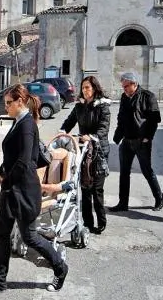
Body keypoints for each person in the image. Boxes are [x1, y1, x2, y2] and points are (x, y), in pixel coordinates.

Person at [0, 84, 69, 293]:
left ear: (20, 102)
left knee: (30, 237)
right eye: (5, 102)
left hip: (23, 192)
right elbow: (12, 156)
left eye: (9, 103)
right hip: (10, 190)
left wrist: (6, 180)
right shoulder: (18, 121)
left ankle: (60, 268)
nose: (5, 106)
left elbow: (26, 161)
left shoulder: (27, 125)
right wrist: (0, 170)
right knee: (2, 234)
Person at [58, 76, 111, 234]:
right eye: (83, 88)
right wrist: (62, 133)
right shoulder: (80, 106)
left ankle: (101, 221)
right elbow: (69, 121)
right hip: (84, 150)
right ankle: (88, 222)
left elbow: (104, 127)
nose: (85, 91)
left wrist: (92, 137)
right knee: (85, 187)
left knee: (97, 188)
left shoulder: (102, 106)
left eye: (88, 87)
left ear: (94, 88)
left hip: (99, 151)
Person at [110, 72, 163, 212]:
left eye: (126, 86)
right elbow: (121, 118)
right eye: (123, 87)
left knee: (147, 171)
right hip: (126, 141)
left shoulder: (148, 96)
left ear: (135, 84)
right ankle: (123, 203)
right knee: (124, 173)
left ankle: (159, 197)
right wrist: (117, 137)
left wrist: (148, 137)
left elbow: (154, 119)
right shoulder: (124, 97)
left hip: (142, 141)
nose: (124, 89)